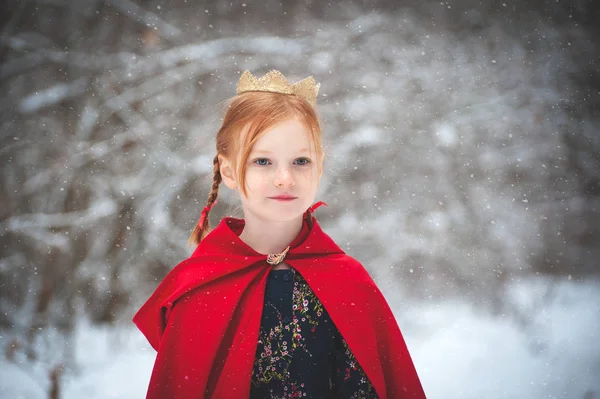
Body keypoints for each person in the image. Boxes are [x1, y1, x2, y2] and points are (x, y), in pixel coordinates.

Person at [133, 70, 427, 399]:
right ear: (229, 171)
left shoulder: (348, 282)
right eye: (263, 161)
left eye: (301, 161)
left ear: (320, 166)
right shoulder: (200, 288)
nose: (285, 178)